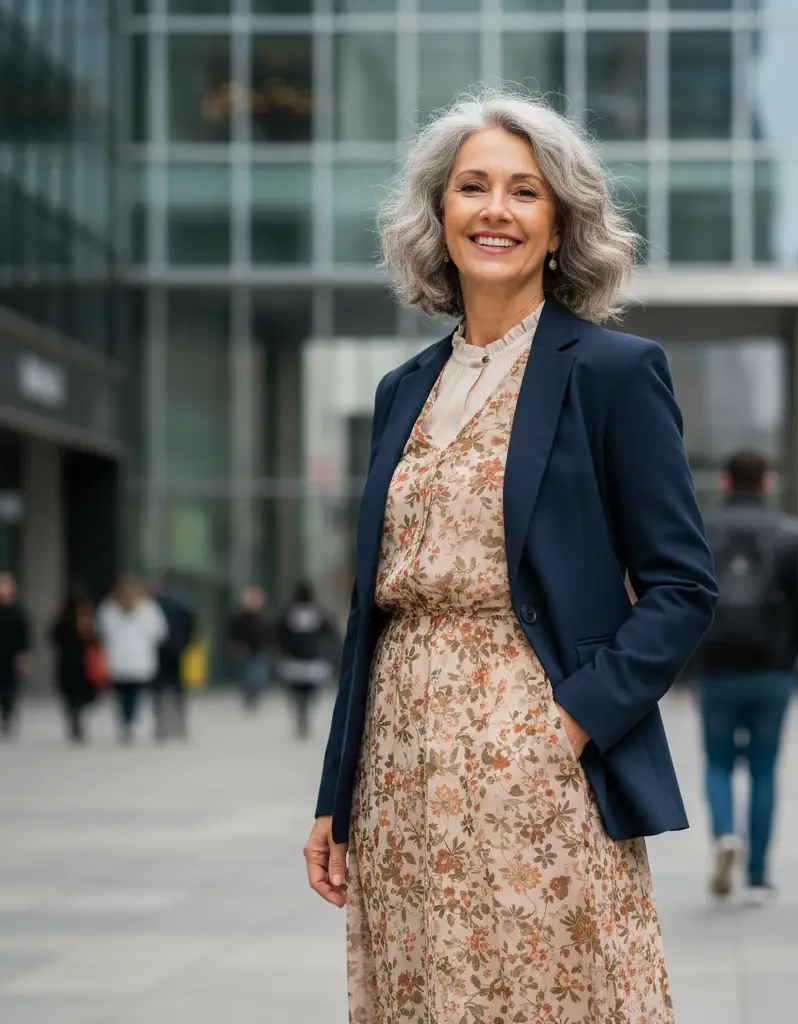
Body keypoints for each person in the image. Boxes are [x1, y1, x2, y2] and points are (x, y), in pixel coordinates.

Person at [302, 87, 717, 1022]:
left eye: (525, 192)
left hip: (535, 775)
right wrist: (338, 792)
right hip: (399, 777)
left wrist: (566, 726)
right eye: (473, 187)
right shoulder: (400, 389)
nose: (496, 210)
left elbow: (682, 587)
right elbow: (371, 613)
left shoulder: (613, 372)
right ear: (437, 217)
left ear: (562, 225)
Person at [695, 450, 798, 905]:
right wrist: (792, 651)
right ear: (766, 483)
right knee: (764, 767)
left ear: (726, 483)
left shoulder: (702, 529)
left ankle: (726, 832)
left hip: (716, 665)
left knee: (718, 761)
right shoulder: (790, 534)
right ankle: (759, 876)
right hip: (771, 667)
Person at [96, 574, 168, 744]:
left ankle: (125, 722)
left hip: (119, 660)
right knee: (134, 695)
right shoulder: (148, 608)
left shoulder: (108, 608)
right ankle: (129, 722)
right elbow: (159, 633)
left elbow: (101, 632)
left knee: (121, 695)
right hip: (139, 659)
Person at [276, 582, 336, 740]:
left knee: (298, 693)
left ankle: (301, 714)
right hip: (310, 660)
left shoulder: (288, 612)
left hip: (295, 660)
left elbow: (279, 634)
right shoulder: (318, 613)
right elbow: (330, 632)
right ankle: (303, 714)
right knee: (309, 693)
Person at [49, 584, 99, 744]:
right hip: (78, 662)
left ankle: (75, 716)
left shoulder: (69, 618)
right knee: (77, 696)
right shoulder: (70, 619)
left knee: (74, 697)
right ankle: (76, 717)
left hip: (73, 663)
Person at [152, 571, 197, 741]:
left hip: (164, 651)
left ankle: (165, 723)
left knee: (163, 688)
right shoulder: (181, 603)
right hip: (175, 650)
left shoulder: (155, 604)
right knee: (176, 688)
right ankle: (177, 723)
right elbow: (191, 626)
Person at [228, 586, 271, 711]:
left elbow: (268, 633)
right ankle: (248, 696)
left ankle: (254, 696)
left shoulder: (262, 617)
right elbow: (233, 632)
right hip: (244, 650)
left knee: (257, 675)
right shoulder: (239, 617)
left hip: (258, 650)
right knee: (245, 675)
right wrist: (237, 645)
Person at [0, 573, 30, 739]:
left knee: (10, 689)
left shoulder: (17, 612)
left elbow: (24, 636)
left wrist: (24, 655)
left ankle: (8, 715)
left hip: (11, 656)